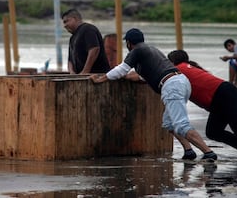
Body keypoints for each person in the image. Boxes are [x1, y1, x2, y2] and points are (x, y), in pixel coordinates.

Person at [90, 28, 217, 161]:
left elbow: (121, 69)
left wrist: (101, 79)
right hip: (180, 82)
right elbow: (145, 76)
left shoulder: (137, 50)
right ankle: (189, 151)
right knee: (169, 124)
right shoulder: (151, 50)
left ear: (128, 43)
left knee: (181, 125)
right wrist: (128, 77)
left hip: (171, 85)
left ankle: (208, 152)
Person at [168, 49, 237, 162]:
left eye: (168, 62)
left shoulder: (178, 70)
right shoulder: (189, 67)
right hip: (221, 97)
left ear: (173, 62)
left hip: (224, 95)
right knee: (213, 131)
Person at [62, 8, 110, 74]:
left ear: (75, 18)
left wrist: (85, 71)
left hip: (97, 75)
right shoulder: (72, 38)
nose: (65, 26)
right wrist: (72, 72)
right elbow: (70, 60)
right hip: (80, 75)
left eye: (66, 21)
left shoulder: (88, 29)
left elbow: (94, 49)